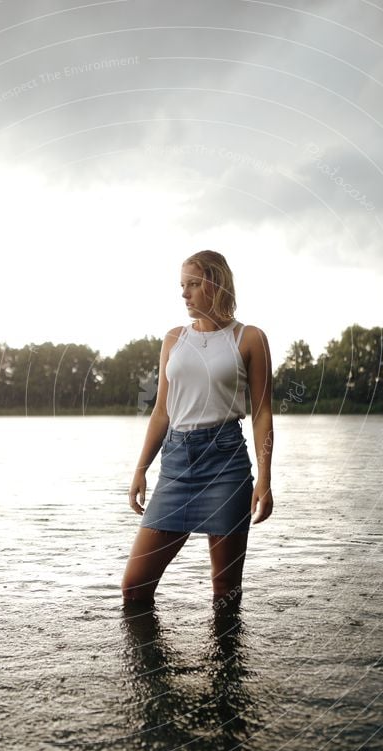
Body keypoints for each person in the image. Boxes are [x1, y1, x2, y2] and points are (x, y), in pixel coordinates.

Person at [121, 250, 274, 604]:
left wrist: (264, 479)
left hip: (225, 465)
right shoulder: (174, 339)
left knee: (225, 593)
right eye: (182, 285)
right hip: (175, 465)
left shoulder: (249, 338)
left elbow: (262, 413)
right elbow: (162, 411)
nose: (184, 293)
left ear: (215, 283)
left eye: (193, 284)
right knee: (134, 587)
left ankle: (229, 660)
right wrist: (141, 469)